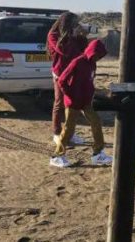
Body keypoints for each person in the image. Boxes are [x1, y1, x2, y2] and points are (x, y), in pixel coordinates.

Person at [50, 40, 113, 168]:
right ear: (91, 52)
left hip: (86, 102)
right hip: (73, 102)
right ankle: (57, 156)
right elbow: (61, 80)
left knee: (96, 122)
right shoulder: (77, 62)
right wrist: (70, 94)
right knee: (68, 129)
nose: (98, 58)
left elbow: (89, 80)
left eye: (100, 56)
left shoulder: (92, 64)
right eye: (97, 55)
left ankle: (97, 153)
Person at [47, 12, 88, 146]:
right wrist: (72, 37)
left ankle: (69, 133)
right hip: (60, 73)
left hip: (73, 72)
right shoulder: (53, 36)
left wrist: (82, 36)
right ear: (67, 23)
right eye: (74, 23)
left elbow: (82, 50)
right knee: (59, 103)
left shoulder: (72, 35)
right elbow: (64, 50)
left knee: (72, 104)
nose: (75, 26)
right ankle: (57, 132)